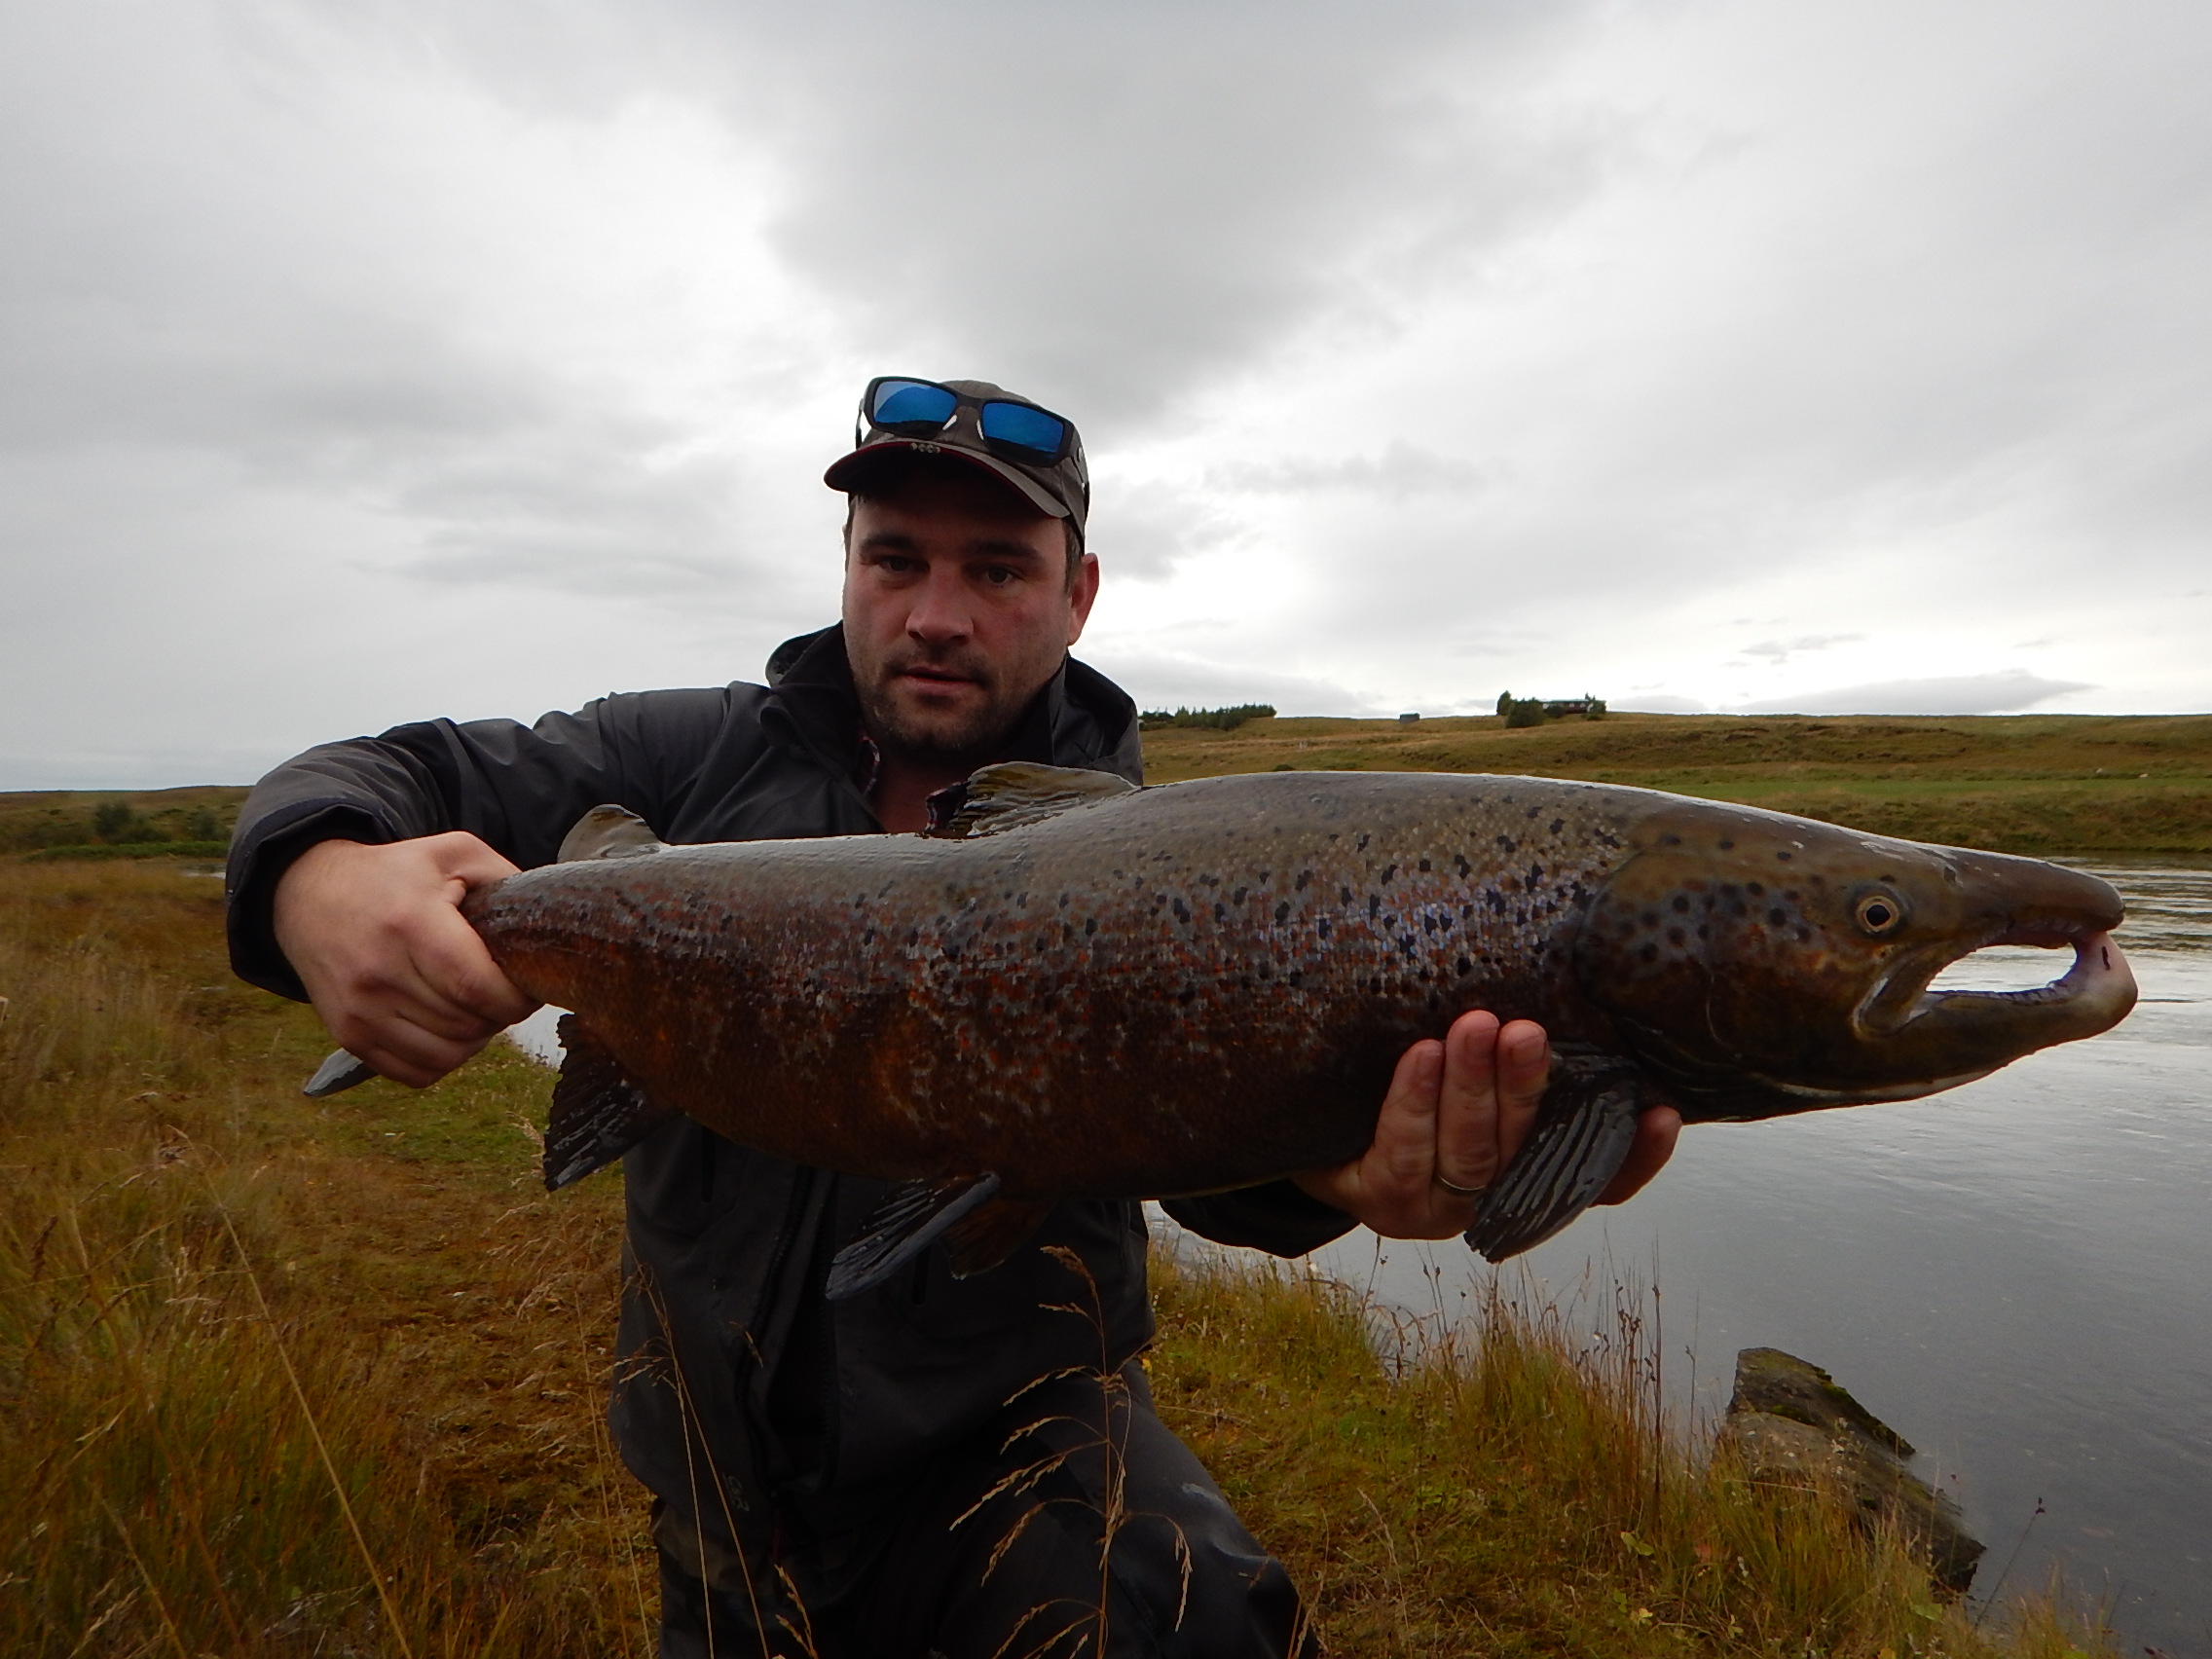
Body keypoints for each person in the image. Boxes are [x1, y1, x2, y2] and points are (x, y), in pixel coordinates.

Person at [225, 377, 1679, 1657]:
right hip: (709, 1456)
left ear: (1080, 594)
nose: (936, 614)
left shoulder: (1176, 858)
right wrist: (316, 875)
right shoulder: (679, 757)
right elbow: (385, 768)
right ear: (846, 567)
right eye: (897, 560)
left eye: (998, 570)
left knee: (1195, 1619)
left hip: (1017, 1447)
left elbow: (1212, 1160)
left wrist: (1325, 1180)